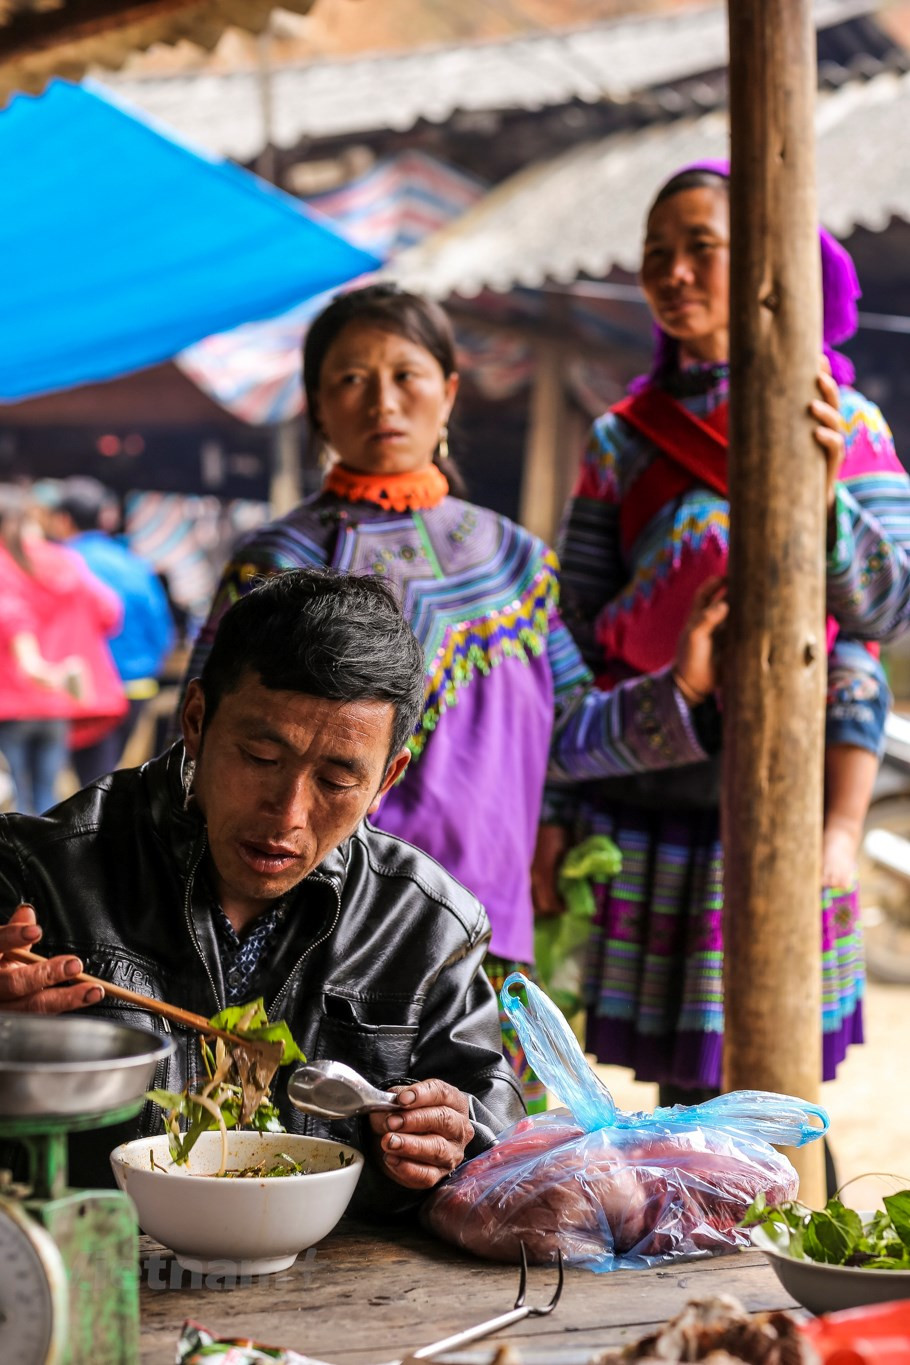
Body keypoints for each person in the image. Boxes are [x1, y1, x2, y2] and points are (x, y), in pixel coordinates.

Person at [182, 283, 729, 1112]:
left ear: (450, 392)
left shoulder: (517, 562)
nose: (383, 400)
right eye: (351, 380)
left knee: (471, 1167)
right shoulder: (278, 560)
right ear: (318, 408)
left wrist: (683, 685)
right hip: (321, 922)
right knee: (317, 1152)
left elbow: (571, 734)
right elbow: (207, 737)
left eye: (407, 375)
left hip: (486, 933)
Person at [544, 161, 910, 1111]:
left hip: (794, 797)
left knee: (780, 1085)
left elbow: (889, 608)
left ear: (765, 262)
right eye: (654, 256)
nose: (672, 275)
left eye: (700, 248)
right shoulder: (620, 441)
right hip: (658, 789)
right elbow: (571, 629)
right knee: (680, 1095)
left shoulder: (845, 421)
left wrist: (825, 500)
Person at [0, 569, 522, 1207]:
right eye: (261, 759)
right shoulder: (36, 875)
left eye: (335, 780)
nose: (288, 815)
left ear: (386, 780)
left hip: (342, 1292)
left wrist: (454, 1134)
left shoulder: (426, 925)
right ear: (196, 721)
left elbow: (494, 1128)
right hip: (98, 1268)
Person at [0, 484, 126, 815]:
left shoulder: (4, 565)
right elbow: (109, 612)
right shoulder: (64, 560)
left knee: (14, 807)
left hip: (10, 705)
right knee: (45, 802)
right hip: (57, 703)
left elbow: (12, 620)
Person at [48, 477, 175, 785]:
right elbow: (163, 632)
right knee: (108, 778)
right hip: (137, 687)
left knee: (86, 785)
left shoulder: (60, 563)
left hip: (85, 692)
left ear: (63, 520)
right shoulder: (135, 564)